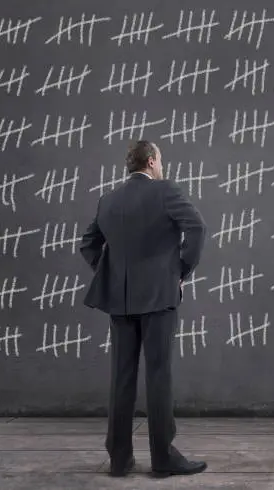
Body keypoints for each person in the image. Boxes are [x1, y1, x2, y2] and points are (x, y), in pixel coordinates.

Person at [79, 140, 207, 478]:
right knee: (158, 375)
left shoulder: (109, 199)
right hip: (159, 298)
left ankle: (119, 461)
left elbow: (88, 243)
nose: (162, 166)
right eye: (160, 160)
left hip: (120, 302)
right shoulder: (165, 192)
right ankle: (163, 459)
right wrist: (179, 272)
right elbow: (197, 227)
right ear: (151, 162)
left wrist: (111, 274)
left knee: (121, 378)